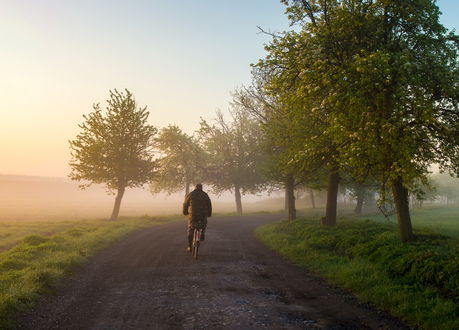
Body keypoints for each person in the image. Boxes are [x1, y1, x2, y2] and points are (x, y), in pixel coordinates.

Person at [182, 183, 212, 252]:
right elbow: (209, 205)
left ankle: (190, 246)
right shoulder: (205, 195)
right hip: (203, 215)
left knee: (190, 229)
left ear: (195, 187)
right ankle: (202, 234)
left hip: (193, 215)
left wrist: (185, 212)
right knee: (203, 224)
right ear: (201, 188)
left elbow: (185, 204)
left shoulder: (190, 194)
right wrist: (209, 214)